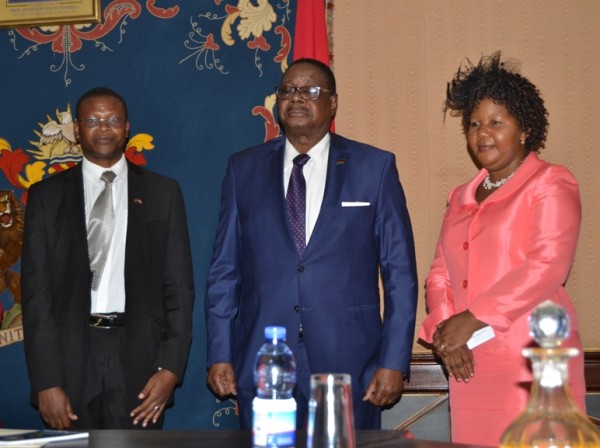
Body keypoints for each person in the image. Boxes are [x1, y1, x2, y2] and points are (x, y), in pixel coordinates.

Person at [205, 58, 418, 430]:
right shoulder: (244, 169)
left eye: (311, 90)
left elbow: (399, 272)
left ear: (333, 103)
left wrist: (394, 360)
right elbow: (225, 270)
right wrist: (220, 353)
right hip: (263, 359)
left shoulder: (374, 167)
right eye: (287, 90)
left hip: (351, 360)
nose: (297, 98)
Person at [418, 52, 586, 446]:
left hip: (535, 357)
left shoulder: (550, 182)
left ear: (524, 129)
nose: (482, 133)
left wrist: (471, 319)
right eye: (475, 124)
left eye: (496, 122)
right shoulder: (461, 195)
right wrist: (446, 330)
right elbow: (439, 273)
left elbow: (547, 266)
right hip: (470, 361)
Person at [21, 87, 195, 430]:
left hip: (139, 360)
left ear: (127, 127)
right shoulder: (45, 197)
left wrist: (170, 369)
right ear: (76, 129)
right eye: (93, 120)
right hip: (69, 358)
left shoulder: (163, 193)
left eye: (113, 120)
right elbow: (36, 295)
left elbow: (180, 289)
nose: (104, 128)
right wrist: (46, 380)